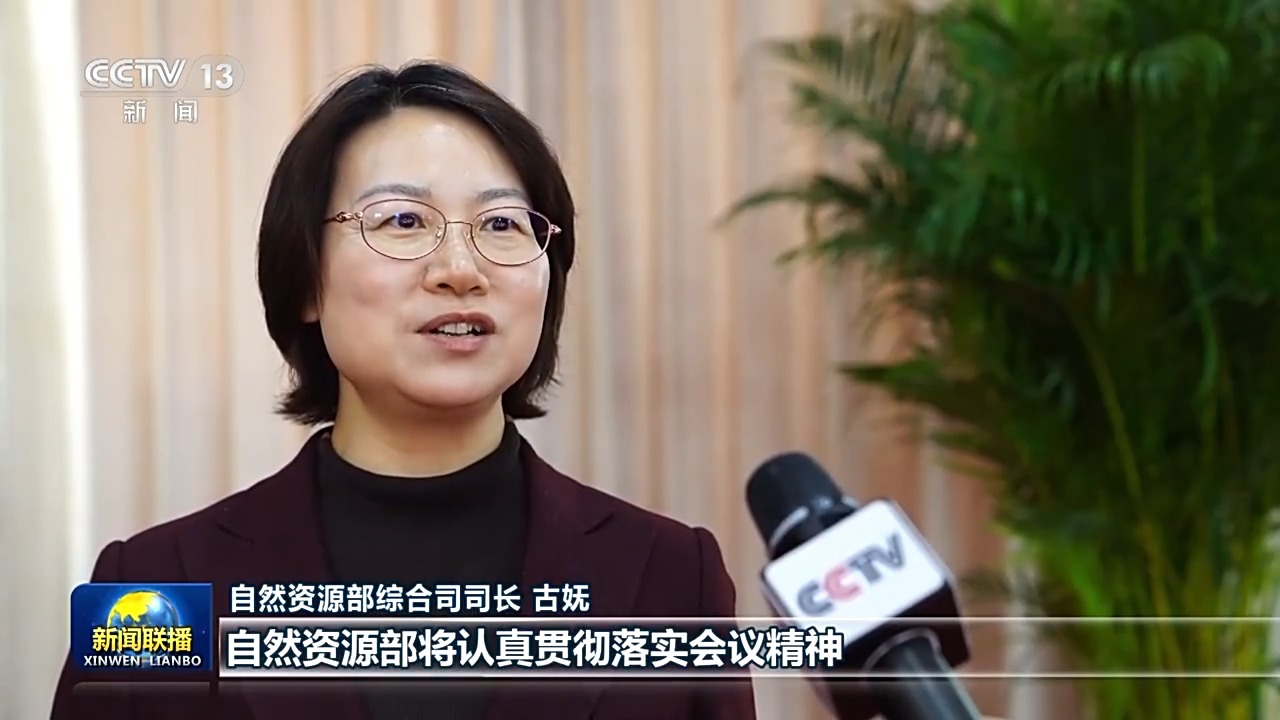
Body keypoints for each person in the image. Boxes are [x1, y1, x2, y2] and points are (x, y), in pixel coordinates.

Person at [50, 61, 756, 720]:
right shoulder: (154, 585)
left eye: (502, 224)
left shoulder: (671, 576)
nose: (460, 269)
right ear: (305, 281)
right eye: (403, 220)